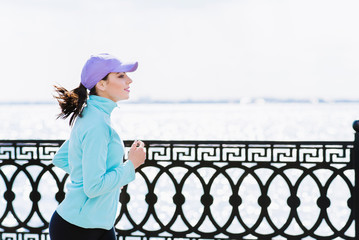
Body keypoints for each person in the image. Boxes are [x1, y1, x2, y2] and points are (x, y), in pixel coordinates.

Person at [49, 53, 146, 240]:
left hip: (100, 225)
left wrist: (108, 180)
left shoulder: (92, 115)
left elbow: (61, 158)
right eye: (121, 75)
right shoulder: (98, 124)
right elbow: (94, 187)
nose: (130, 80)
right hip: (76, 230)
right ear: (101, 84)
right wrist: (131, 165)